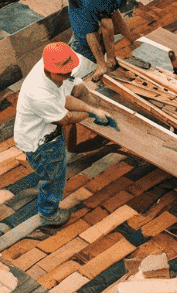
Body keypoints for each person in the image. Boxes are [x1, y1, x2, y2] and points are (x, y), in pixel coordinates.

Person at [13, 42, 109, 226]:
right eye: (63, 74)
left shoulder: (56, 64)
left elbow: (70, 93)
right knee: (53, 177)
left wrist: (93, 106)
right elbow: (66, 118)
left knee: (54, 169)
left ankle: (47, 192)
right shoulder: (39, 93)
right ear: (50, 71)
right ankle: (49, 214)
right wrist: (91, 113)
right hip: (41, 143)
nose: (67, 77)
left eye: (69, 73)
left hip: (49, 134)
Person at [66, 0, 138, 81]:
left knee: (107, 14)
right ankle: (101, 65)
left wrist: (113, 53)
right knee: (89, 30)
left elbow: (110, 16)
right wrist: (109, 57)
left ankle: (109, 59)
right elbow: (106, 26)